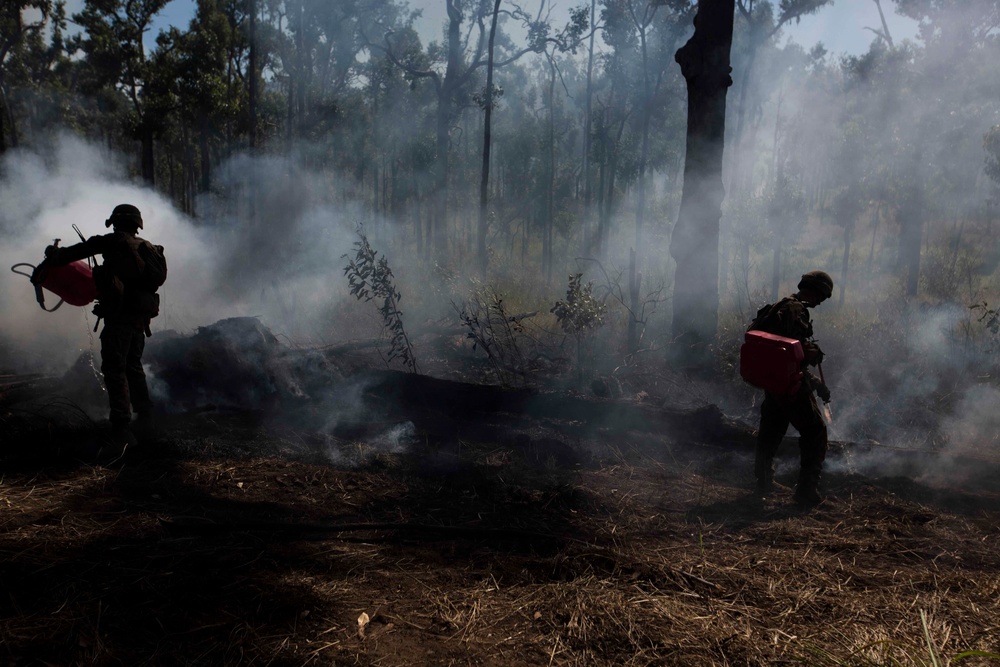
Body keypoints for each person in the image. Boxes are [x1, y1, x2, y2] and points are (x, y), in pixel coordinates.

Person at [41, 204, 164, 447]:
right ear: (137, 223)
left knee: (115, 369)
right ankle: (146, 420)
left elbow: (75, 253)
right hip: (140, 318)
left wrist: (54, 255)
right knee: (133, 366)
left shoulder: (111, 241)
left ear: (115, 222)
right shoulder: (148, 247)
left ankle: (121, 428)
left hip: (119, 318)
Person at [750, 270, 833, 508]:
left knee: (771, 431)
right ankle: (806, 491)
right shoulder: (797, 312)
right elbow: (791, 360)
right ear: (815, 291)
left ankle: (763, 482)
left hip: (772, 382)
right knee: (816, 431)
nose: (820, 302)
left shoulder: (780, 307)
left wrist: (815, 383)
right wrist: (811, 358)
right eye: (822, 297)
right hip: (788, 384)